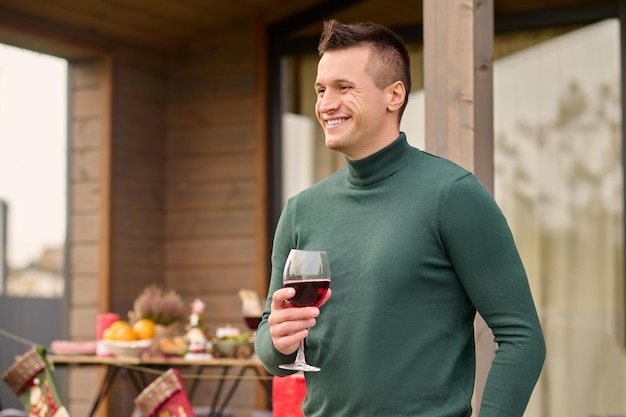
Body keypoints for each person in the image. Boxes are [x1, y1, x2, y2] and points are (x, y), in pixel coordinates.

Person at [255, 19, 546, 417]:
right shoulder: (301, 210)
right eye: (321, 89)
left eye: (344, 88)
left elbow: (522, 336)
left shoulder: (453, 195)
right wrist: (278, 341)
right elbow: (271, 348)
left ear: (394, 95)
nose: (325, 104)